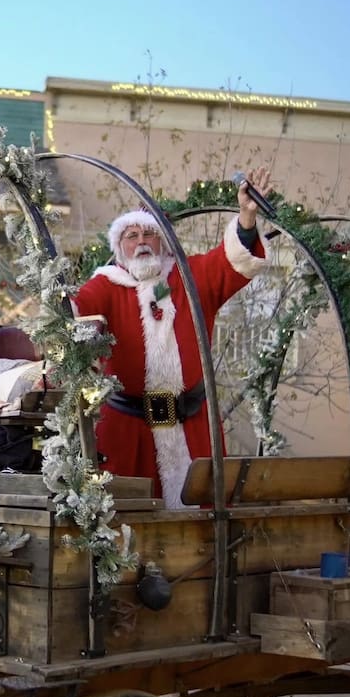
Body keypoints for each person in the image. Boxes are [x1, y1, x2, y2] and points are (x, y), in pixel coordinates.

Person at [73, 168, 273, 509]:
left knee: (202, 525)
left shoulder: (189, 276)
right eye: (131, 236)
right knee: (126, 523)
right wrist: (64, 307)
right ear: (119, 247)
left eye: (149, 234)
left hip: (192, 425)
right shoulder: (105, 285)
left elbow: (231, 261)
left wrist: (246, 216)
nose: (141, 242)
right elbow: (77, 310)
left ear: (162, 241)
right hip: (129, 432)